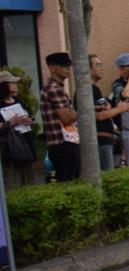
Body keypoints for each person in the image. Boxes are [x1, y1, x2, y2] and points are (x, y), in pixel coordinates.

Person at [40, 52, 81, 182]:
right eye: (64, 66)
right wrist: (86, 111)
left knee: (70, 181)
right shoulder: (53, 88)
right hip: (63, 145)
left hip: (64, 143)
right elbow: (67, 118)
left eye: (69, 66)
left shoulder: (56, 88)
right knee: (70, 183)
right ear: (52, 68)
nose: (68, 69)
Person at [89, 54, 129, 171]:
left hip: (106, 140)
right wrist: (121, 108)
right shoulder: (89, 90)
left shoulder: (94, 89)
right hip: (100, 141)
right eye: (98, 65)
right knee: (108, 176)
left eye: (101, 65)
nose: (102, 68)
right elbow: (99, 116)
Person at [0, 71, 37, 187]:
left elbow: (30, 117)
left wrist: (30, 120)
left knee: (30, 182)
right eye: (12, 83)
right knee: (14, 183)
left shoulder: (19, 101)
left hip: (27, 145)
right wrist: (11, 123)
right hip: (11, 149)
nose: (15, 85)